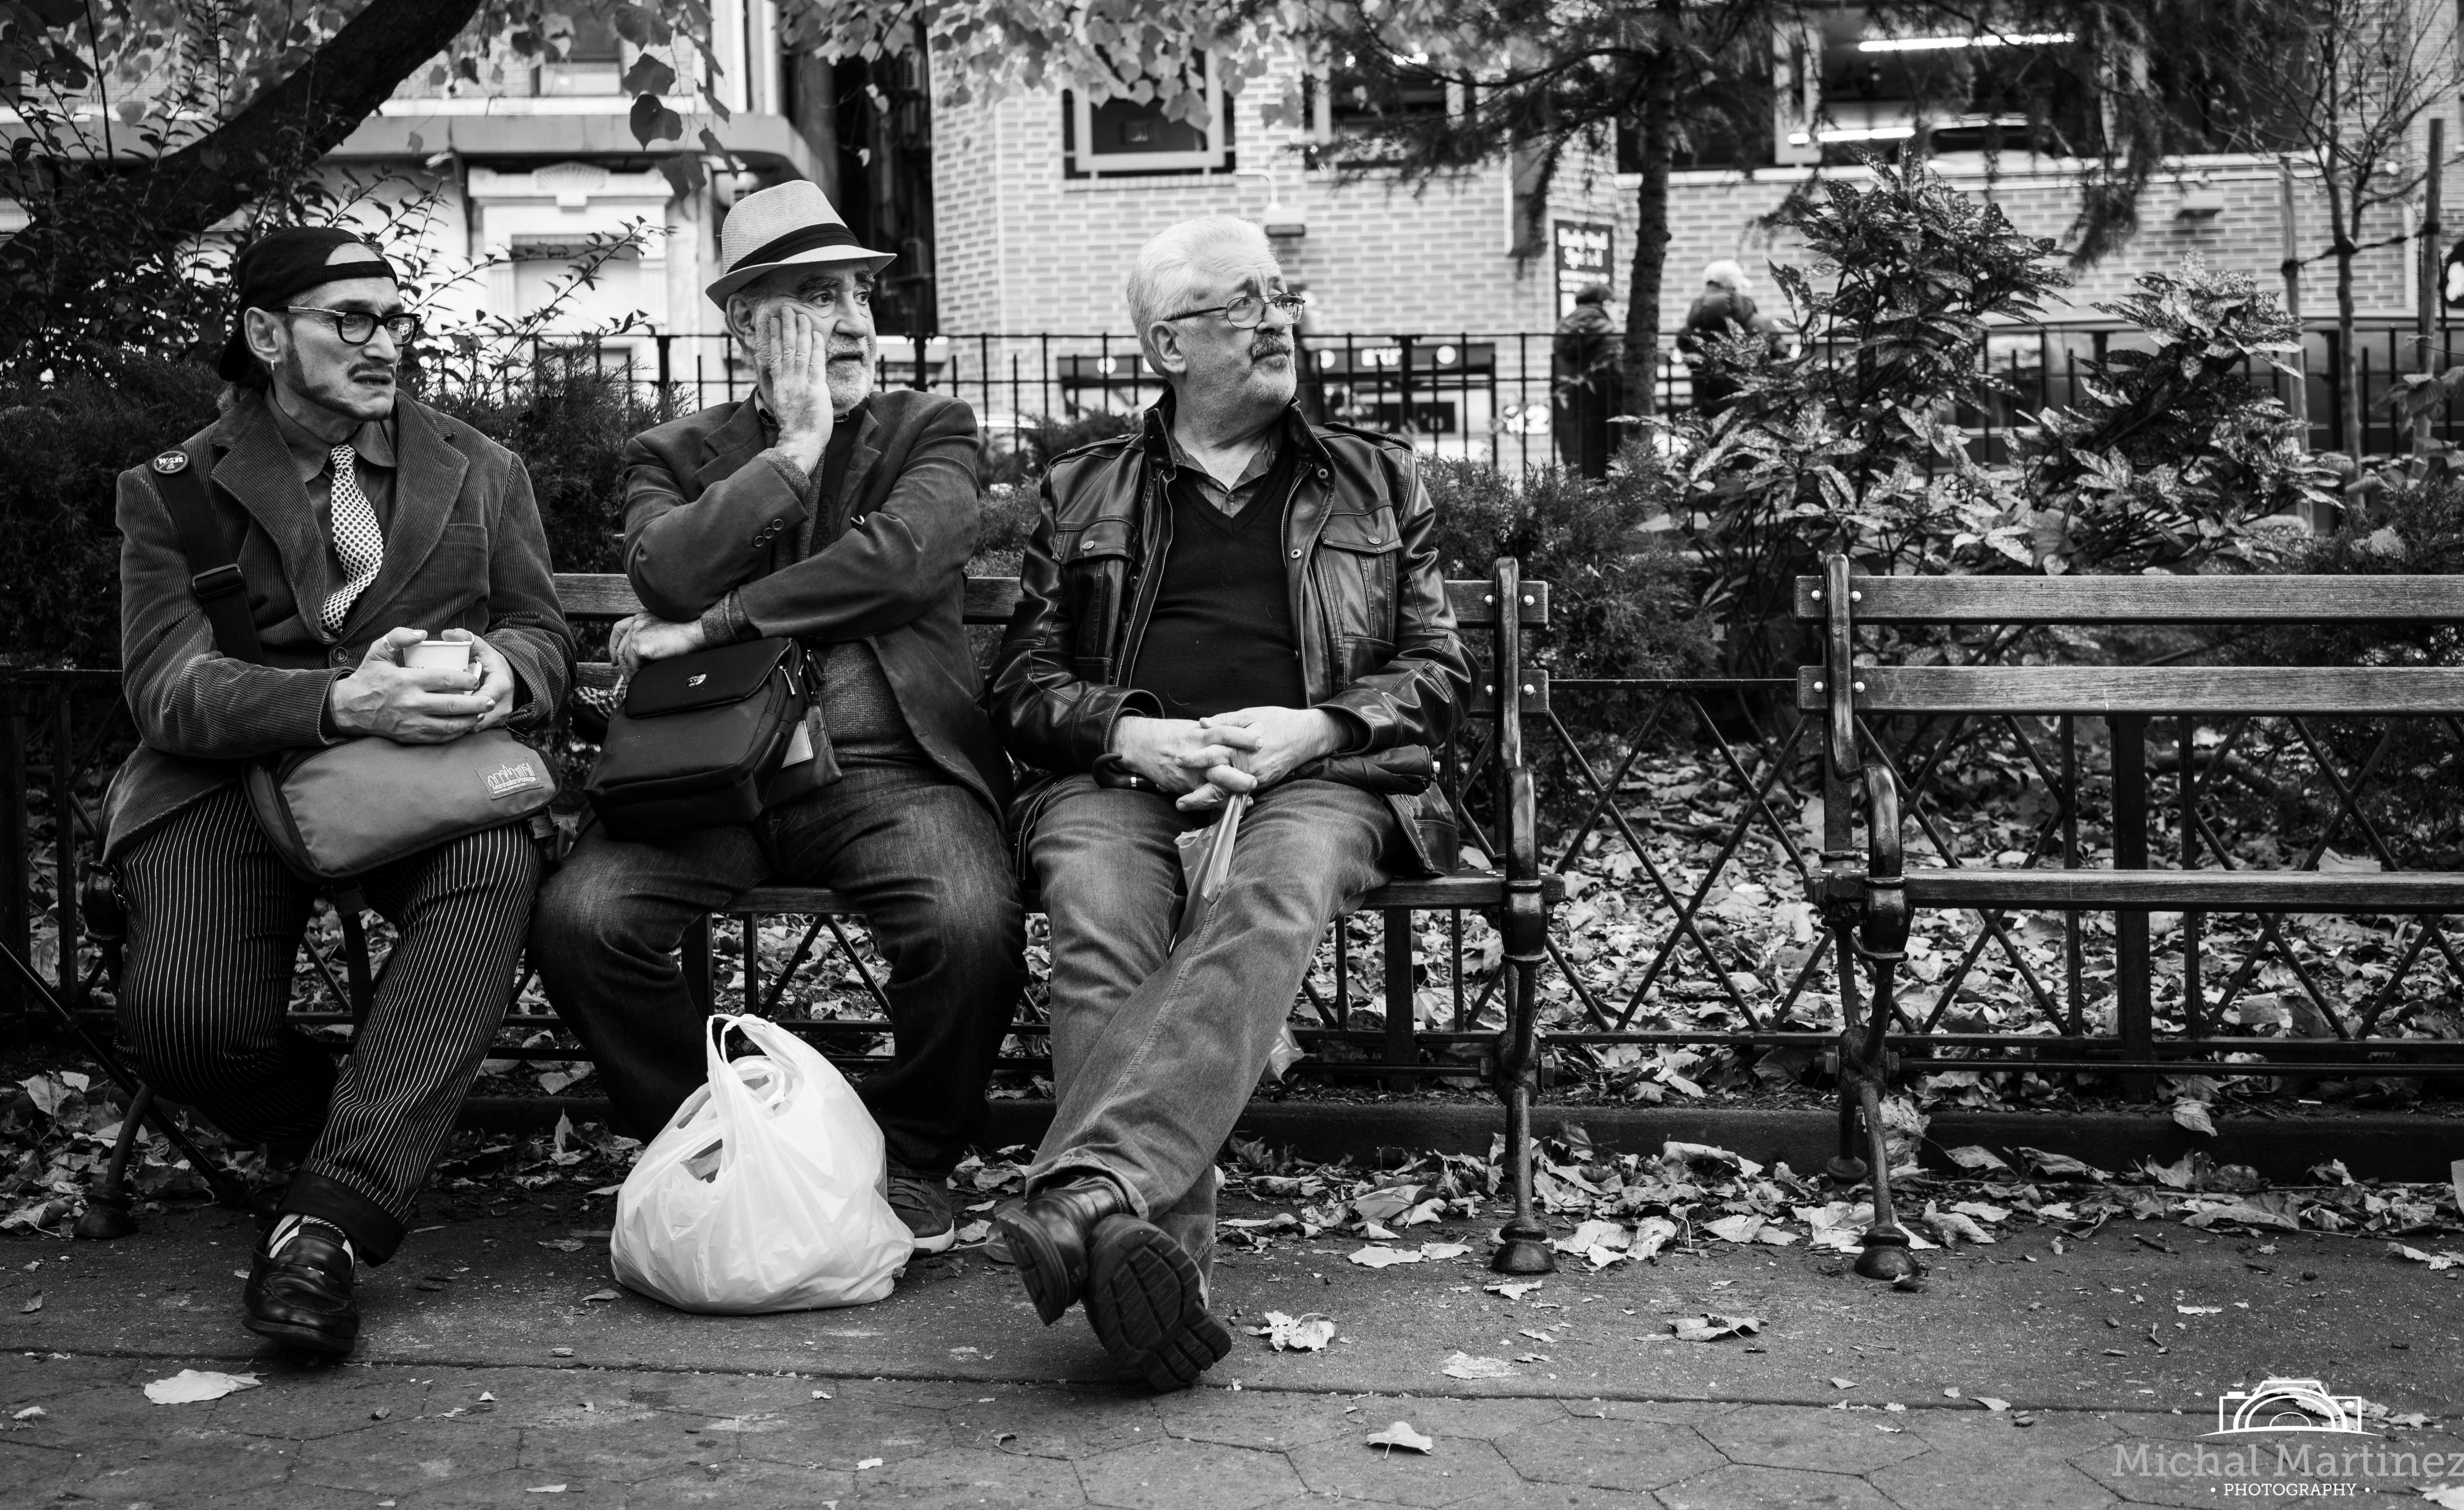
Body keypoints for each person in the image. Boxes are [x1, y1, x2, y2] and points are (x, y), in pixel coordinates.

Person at [987, 216, 1471, 1390]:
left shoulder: (1375, 476)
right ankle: (1148, 1269)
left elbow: (1439, 673)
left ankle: (1090, 1199)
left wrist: (1318, 726)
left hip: (1319, 781)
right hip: (1122, 780)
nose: (1278, 316)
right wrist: (1129, 734)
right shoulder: (1080, 488)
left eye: (1278, 294)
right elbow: (1018, 683)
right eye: (1243, 302)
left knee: (1274, 886)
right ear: (1165, 344)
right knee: (1101, 906)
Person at [104, 227, 574, 1355]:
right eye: (349, 319)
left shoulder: (481, 467)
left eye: (395, 319)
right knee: (184, 1027)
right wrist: (338, 701)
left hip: (423, 775)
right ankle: (354, 1121)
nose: (383, 343)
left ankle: (329, 1221)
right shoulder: (170, 492)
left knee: (493, 855)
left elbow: (543, 633)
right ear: (268, 334)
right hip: (224, 783)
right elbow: (166, 686)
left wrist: (502, 672)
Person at [530, 181, 1021, 1256]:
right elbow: (664, 565)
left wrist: (714, 624)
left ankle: (914, 1151)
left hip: (888, 770)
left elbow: (906, 560)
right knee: (582, 921)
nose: (852, 319)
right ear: (748, 324)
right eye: (814, 297)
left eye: (859, 295)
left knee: (970, 918)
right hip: (708, 777)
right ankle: (717, 1135)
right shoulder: (677, 453)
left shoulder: (930, 428)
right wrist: (793, 450)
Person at [1674, 258, 1785, 416]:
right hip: (1752, 411)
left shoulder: (1689, 331)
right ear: (1733, 286)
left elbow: (1688, 358)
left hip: (1708, 412)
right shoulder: (1761, 325)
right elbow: (1782, 359)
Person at [1551, 281, 1624, 474]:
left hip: (1571, 435)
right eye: (1618, 306)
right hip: (1609, 434)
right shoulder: (1615, 341)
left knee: (1582, 489)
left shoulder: (1562, 341)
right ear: (1607, 305)